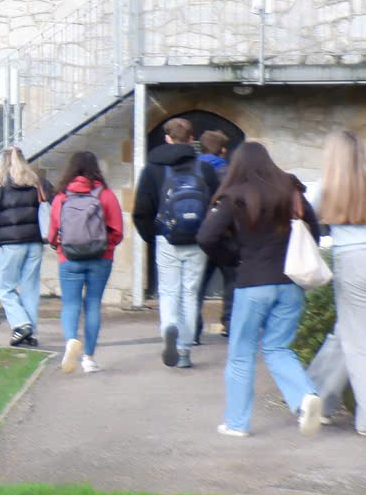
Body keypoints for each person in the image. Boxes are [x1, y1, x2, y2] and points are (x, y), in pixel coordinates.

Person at [197, 141, 324, 439]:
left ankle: (237, 423)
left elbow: (206, 237)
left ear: (238, 165)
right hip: (290, 283)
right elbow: (314, 231)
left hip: (253, 282)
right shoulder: (291, 191)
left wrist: (233, 258)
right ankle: (305, 397)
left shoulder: (234, 196)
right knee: (278, 348)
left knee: (241, 354)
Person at [305, 129, 366, 438]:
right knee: (347, 334)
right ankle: (317, 399)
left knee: (361, 340)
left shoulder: (325, 186)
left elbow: (307, 219)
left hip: (354, 261)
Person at [131, 118, 217, 371]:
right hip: (197, 239)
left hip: (166, 237)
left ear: (167, 138)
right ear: (192, 139)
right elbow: (217, 205)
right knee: (190, 293)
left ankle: (169, 326)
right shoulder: (205, 170)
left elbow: (141, 209)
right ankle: (184, 350)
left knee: (169, 291)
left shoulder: (153, 169)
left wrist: (152, 235)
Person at [46, 151, 125, 375]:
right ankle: (89, 358)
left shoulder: (62, 196)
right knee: (93, 305)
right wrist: (106, 246)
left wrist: (58, 247)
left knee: (70, 304)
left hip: (69, 258)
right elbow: (117, 231)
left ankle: (71, 340)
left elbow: (52, 231)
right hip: (100, 258)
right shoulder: (106, 194)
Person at [0, 146, 48, 349]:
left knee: (5, 288)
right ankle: (29, 331)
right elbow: (55, 206)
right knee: (30, 289)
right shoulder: (38, 182)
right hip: (35, 243)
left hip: (11, 244)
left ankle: (21, 325)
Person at [192, 130, 233, 347]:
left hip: (199, 236)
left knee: (197, 284)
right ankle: (230, 324)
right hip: (226, 235)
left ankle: (194, 330)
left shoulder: (192, 169)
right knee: (232, 280)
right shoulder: (230, 172)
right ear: (223, 150)